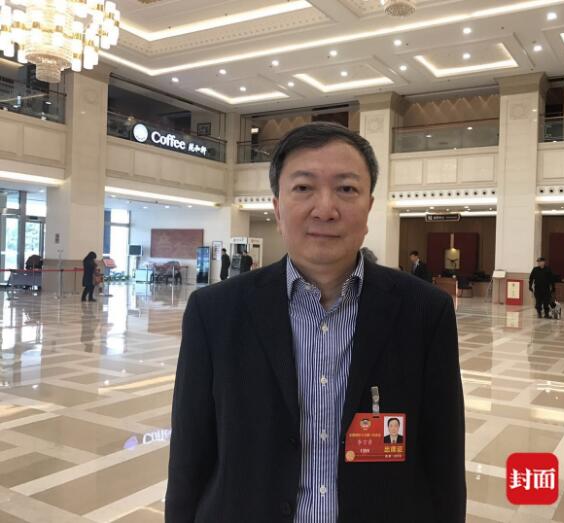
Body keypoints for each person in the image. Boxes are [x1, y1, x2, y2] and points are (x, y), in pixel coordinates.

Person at [166, 122, 466, 522]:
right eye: (304, 187)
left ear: (369, 208)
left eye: (346, 189)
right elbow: (189, 457)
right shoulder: (214, 312)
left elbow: (444, 462)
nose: (325, 209)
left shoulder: (425, 311)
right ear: (277, 208)